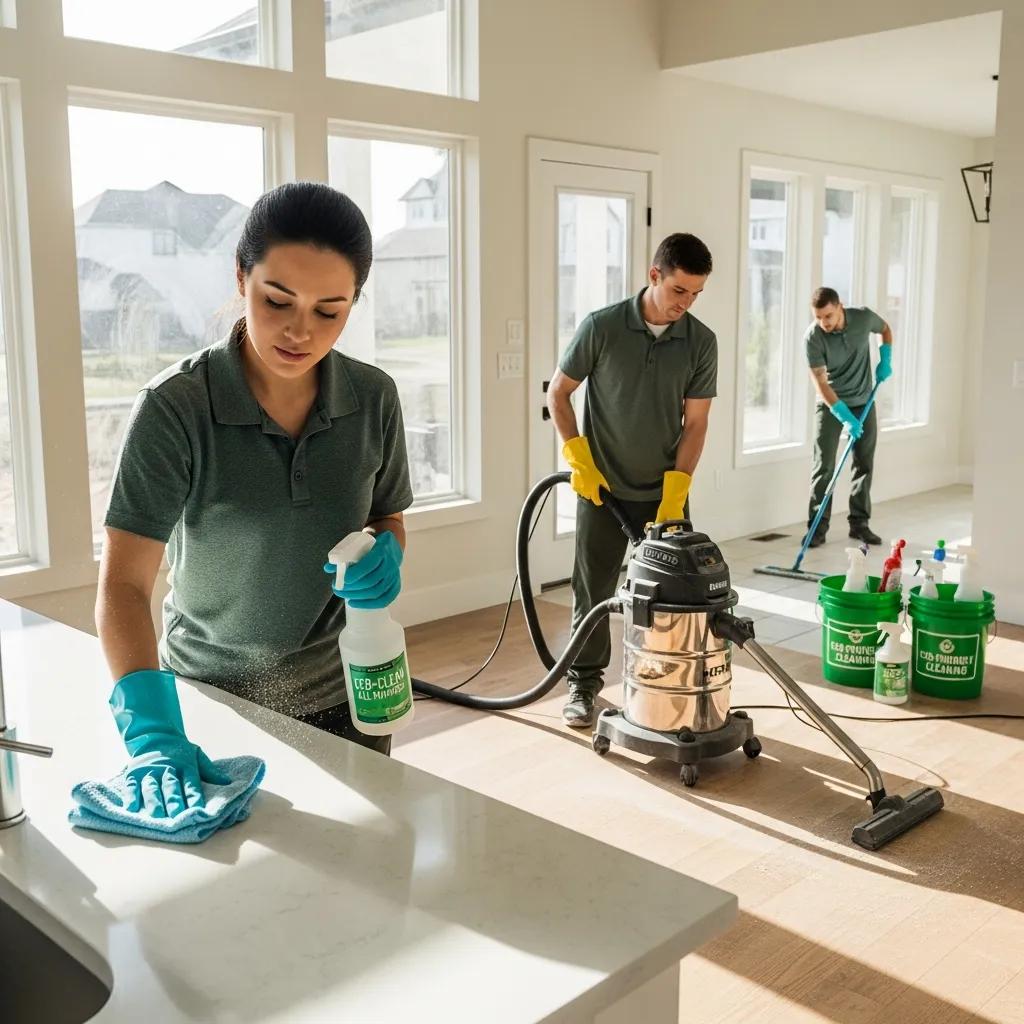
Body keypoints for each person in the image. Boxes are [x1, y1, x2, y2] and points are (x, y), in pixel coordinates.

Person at [95, 182, 413, 817]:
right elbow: (124, 588)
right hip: (213, 707)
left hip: (349, 695)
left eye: (330, 311)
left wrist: (386, 552)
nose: (300, 331)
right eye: (278, 300)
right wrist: (153, 732)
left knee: (368, 890)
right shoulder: (175, 409)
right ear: (241, 276)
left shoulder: (374, 398)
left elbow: (386, 518)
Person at [546, 233, 717, 728]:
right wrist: (580, 459)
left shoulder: (701, 342)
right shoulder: (601, 328)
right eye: (679, 291)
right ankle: (582, 685)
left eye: (696, 294)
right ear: (654, 275)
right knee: (594, 591)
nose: (685, 304)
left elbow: (696, 423)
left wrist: (676, 492)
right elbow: (559, 393)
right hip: (602, 488)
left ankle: (670, 682)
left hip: (664, 495)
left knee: (676, 595)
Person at [804, 287, 893, 548]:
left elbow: (885, 329)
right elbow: (821, 384)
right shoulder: (813, 338)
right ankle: (817, 528)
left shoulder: (863, 318)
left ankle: (860, 525)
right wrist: (843, 415)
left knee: (864, 463)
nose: (824, 323)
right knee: (824, 466)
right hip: (832, 406)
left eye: (828, 316)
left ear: (840, 306)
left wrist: (885, 357)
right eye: (818, 317)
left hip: (864, 401)